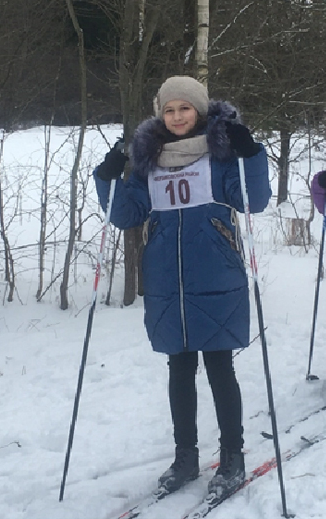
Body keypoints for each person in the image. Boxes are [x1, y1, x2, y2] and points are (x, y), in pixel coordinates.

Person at [93, 76, 271, 498]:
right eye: (169, 109)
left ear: (200, 111)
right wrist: (108, 178)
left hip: (215, 275)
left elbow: (254, 200)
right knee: (179, 370)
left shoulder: (220, 154)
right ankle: (186, 457)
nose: (176, 117)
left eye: (184, 109)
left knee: (219, 369)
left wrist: (250, 155)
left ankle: (232, 458)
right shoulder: (148, 161)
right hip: (165, 283)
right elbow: (125, 215)